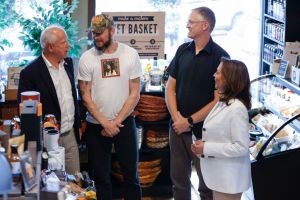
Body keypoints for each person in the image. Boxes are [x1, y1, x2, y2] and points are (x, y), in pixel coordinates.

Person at [165, 6, 230, 200]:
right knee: (178, 184)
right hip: (177, 129)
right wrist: (177, 118)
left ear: (205, 26)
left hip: (206, 132)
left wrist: (190, 121)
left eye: (191, 22)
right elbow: (170, 88)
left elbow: (218, 99)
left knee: (207, 186)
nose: (187, 25)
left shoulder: (221, 57)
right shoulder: (182, 50)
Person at [77, 14, 142, 200]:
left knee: (131, 176)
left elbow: (135, 93)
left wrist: (116, 122)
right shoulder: (86, 58)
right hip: (96, 126)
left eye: (100, 33)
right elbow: (85, 96)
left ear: (112, 31)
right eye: (93, 33)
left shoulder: (130, 54)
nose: (96, 37)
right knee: (101, 178)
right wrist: (105, 123)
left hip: (125, 123)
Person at [17, 25, 81, 175]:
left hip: (70, 135)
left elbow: (72, 95)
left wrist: (77, 123)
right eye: (64, 42)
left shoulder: (68, 63)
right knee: (52, 185)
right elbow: (26, 113)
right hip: (48, 141)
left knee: (75, 181)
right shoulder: (30, 73)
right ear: (50, 47)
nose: (68, 45)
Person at [191, 57, 252, 200]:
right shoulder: (223, 102)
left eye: (218, 73)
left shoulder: (237, 108)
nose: (214, 75)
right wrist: (202, 146)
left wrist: (206, 148)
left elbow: (240, 147)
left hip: (229, 181)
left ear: (228, 78)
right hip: (221, 179)